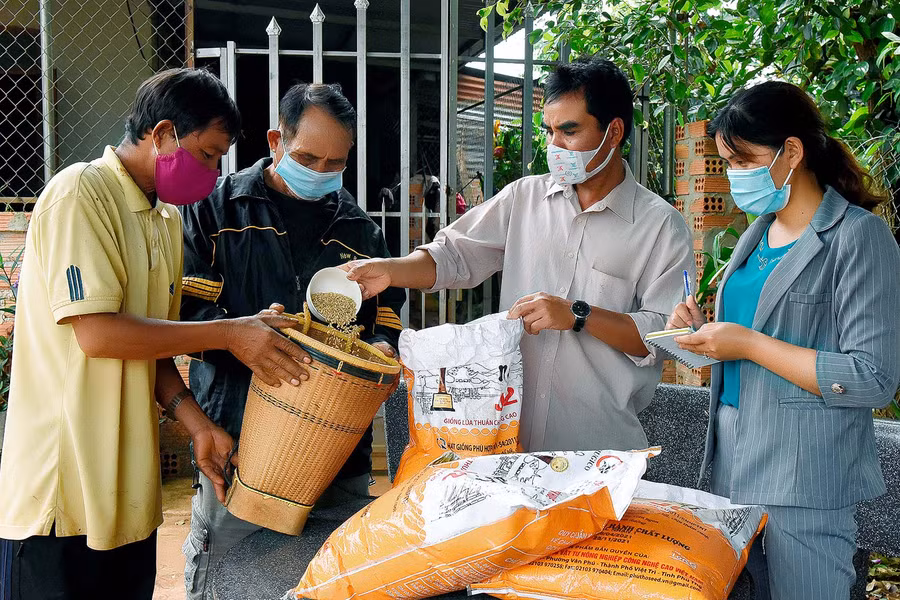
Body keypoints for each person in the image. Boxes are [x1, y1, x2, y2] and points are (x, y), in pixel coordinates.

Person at [0, 68, 311, 600]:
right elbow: (99, 335)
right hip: (61, 496)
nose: (213, 174)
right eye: (208, 154)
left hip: (126, 495)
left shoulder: (165, 218)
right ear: (163, 133)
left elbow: (152, 346)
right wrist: (230, 333)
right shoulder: (80, 193)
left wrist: (197, 426)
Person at [345, 57, 693, 453]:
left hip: (598, 452)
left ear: (613, 132)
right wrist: (390, 270)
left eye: (569, 131)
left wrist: (579, 315)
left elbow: (666, 336)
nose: (554, 145)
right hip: (504, 441)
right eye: (549, 131)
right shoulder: (524, 198)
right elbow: (454, 254)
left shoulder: (660, 226)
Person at [667, 80, 900, 600]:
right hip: (731, 463)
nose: (734, 175)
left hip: (807, 479)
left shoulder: (857, 237)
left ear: (792, 151)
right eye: (727, 161)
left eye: (745, 159)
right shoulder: (756, 233)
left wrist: (747, 343)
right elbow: (754, 336)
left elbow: (872, 377)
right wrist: (701, 331)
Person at [178, 82, 405, 600]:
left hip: (335, 452)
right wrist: (239, 337)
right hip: (239, 444)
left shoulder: (360, 231)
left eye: (335, 163)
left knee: (330, 580)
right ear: (276, 139)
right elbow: (186, 310)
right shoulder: (217, 211)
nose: (322, 172)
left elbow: (384, 320)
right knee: (228, 580)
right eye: (308, 157)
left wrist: (384, 347)